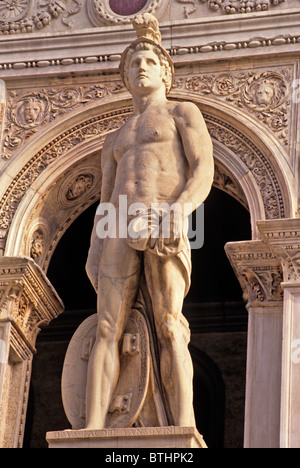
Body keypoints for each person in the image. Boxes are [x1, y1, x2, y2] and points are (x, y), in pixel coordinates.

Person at [85, 13, 214, 430]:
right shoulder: (115, 137)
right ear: (125, 77)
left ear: (165, 72)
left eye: (148, 62)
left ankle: (184, 425)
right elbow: (105, 198)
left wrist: (179, 211)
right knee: (106, 327)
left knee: (171, 325)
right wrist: (94, 246)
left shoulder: (182, 113)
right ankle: (91, 428)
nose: (141, 68)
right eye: (133, 64)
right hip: (119, 224)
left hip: (164, 215)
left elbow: (203, 170)